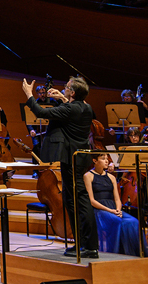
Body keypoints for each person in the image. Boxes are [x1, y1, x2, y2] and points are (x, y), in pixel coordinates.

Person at [23, 76, 98, 258]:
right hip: (80, 158)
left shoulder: (69, 109)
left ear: (72, 92)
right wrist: (62, 99)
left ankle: (87, 246)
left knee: (76, 202)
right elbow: (71, 108)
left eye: (67, 87)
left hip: (71, 158)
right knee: (77, 200)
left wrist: (28, 94)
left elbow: (41, 112)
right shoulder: (86, 107)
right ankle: (85, 244)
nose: (63, 87)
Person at [85, 152, 144, 256]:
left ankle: (131, 254)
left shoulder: (111, 177)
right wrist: (110, 211)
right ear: (95, 161)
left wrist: (118, 210)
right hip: (99, 210)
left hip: (113, 207)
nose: (107, 161)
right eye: (103, 158)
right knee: (116, 221)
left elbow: (117, 199)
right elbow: (92, 201)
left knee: (133, 222)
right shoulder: (88, 176)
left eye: (107, 158)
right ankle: (114, 254)